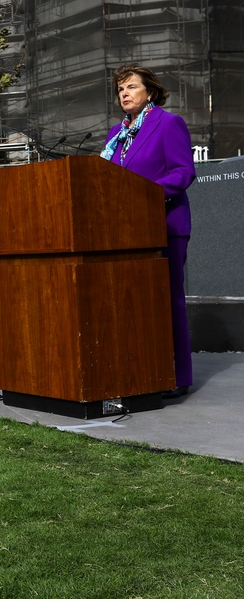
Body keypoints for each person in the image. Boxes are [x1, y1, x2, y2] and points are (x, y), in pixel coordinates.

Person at [102, 63, 196, 398]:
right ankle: (142, 371)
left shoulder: (168, 124)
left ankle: (178, 376)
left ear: (150, 92)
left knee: (168, 301)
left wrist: (144, 195)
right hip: (125, 232)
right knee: (134, 305)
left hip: (164, 226)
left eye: (131, 87)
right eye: (120, 90)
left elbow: (183, 172)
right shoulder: (116, 135)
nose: (124, 94)